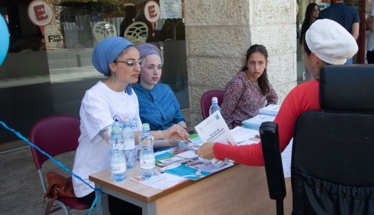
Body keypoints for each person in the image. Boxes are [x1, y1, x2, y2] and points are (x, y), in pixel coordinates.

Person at [196, 19, 358, 167]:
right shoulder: (367, 90)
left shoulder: (301, 94)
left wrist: (218, 149)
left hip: (318, 188)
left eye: (304, 54)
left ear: (314, 58)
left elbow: (264, 153)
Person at [72, 37, 188, 214]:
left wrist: (169, 144)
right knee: (145, 208)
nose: (138, 68)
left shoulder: (129, 94)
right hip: (95, 180)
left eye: (139, 63)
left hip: (128, 173)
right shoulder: (95, 97)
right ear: (112, 66)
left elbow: (140, 135)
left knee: (172, 196)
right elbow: (115, 138)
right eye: (131, 63)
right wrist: (163, 134)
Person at [133, 43, 187, 148]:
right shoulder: (132, 97)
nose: (156, 72)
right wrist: (169, 142)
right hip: (150, 151)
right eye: (150, 67)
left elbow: (179, 117)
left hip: (178, 145)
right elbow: (137, 138)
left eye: (159, 67)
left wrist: (182, 131)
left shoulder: (165, 90)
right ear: (139, 68)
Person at [221, 44, 278, 129]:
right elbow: (225, 115)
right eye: (252, 63)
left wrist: (264, 115)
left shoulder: (262, 80)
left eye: (260, 63)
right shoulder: (238, 83)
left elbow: (273, 98)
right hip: (241, 130)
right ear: (247, 63)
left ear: (266, 64)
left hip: (257, 126)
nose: (256, 68)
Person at [318, 0, 360, 64]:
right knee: (346, 75)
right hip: (346, 53)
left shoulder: (323, 14)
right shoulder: (353, 11)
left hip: (329, 54)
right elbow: (356, 34)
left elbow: (320, 35)